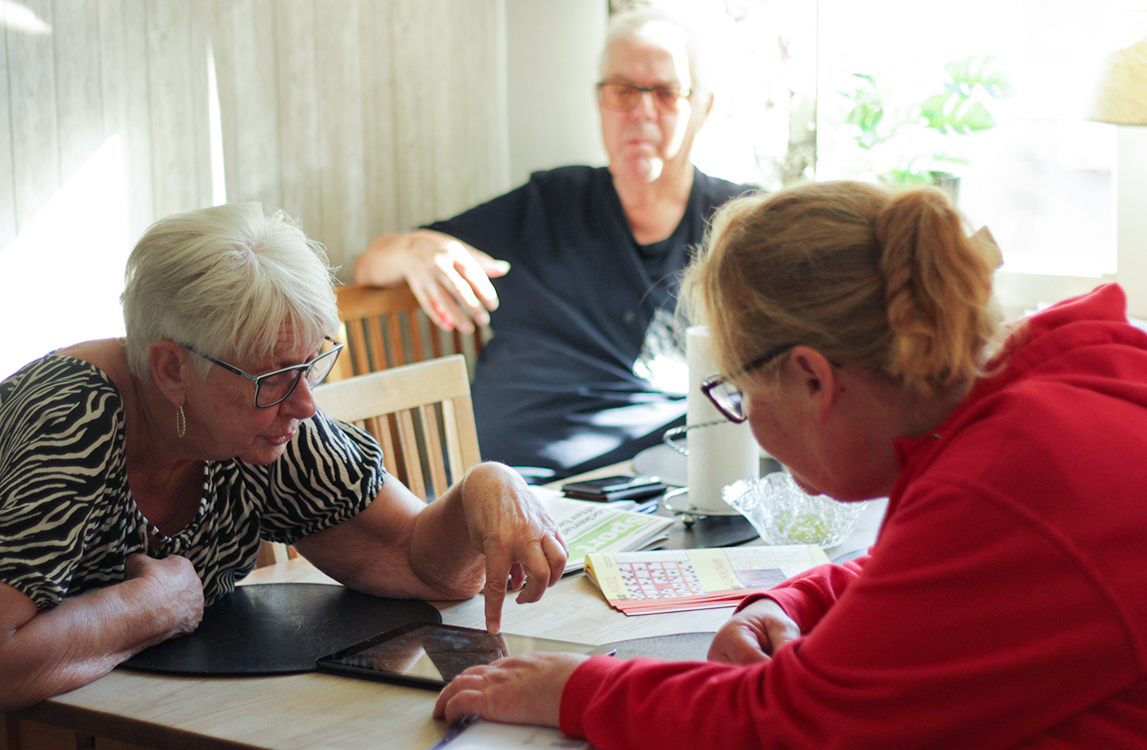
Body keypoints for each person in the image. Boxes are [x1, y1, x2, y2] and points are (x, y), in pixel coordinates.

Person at [432, 180, 1147, 748]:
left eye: (737, 391)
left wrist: (573, 691)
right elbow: (961, 577)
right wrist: (796, 599)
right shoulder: (1055, 382)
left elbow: (792, 726)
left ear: (812, 378)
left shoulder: (1011, 475)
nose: (744, 416)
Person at [0, 203, 567, 747]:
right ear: (170, 369)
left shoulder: (262, 421)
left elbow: (414, 561)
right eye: (274, 377)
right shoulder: (67, 419)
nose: (303, 404)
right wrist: (152, 606)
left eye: (313, 364)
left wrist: (486, 487)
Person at [354, 9, 758, 481]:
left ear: (702, 108)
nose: (642, 112)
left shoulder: (738, 224)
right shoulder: (546, 204)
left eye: (667, 94)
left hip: (663, 485)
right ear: (600, 101)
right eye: (623, 91)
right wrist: (412, 248)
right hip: (508, 489)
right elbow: (371, 263)